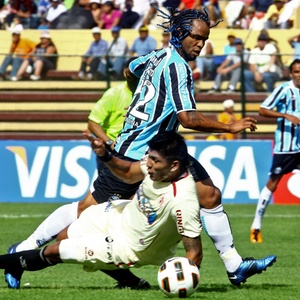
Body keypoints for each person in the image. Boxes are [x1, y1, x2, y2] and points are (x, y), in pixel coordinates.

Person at [5, 7, 276, 290]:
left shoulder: (157, 56)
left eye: (204, 40)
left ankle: (234, 266)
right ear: (180, 33)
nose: (200, 44)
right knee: (83, 216)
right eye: (196, 37)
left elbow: (129, 69)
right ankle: (21, 253)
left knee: (209, 195)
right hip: (134, 156)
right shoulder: (178, 68)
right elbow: (188, 119)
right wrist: (230, 127)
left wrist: (142, 96)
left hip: (160, 153)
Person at [0, 131, 205, 287]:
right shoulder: (156, 165)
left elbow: (194, 252)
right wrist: (105, 155)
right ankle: (131, 283)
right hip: (120, 217)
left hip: (132, 246)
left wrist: (183, 282)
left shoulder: (184, 200)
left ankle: (12, 262)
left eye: (155, 161)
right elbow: (127, 172)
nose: (148, 164)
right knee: (63, 237)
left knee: (54, 251)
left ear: (174, 165)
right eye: (149, 157)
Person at [250, 59, 300, 243]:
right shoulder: (284, 90)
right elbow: (263, 110)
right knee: (273, 183)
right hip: (285, 147)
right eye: (296, 72)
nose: (299, 75)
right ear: (290, 73)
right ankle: (256, 226)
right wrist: (285, 115)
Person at [88, 59, 135, 174]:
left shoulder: (151, 95)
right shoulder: (113, 94)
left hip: (137, 149)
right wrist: (110, 143)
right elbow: (93, 123)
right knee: (108, 190)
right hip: (113, 150)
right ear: (125, 72)